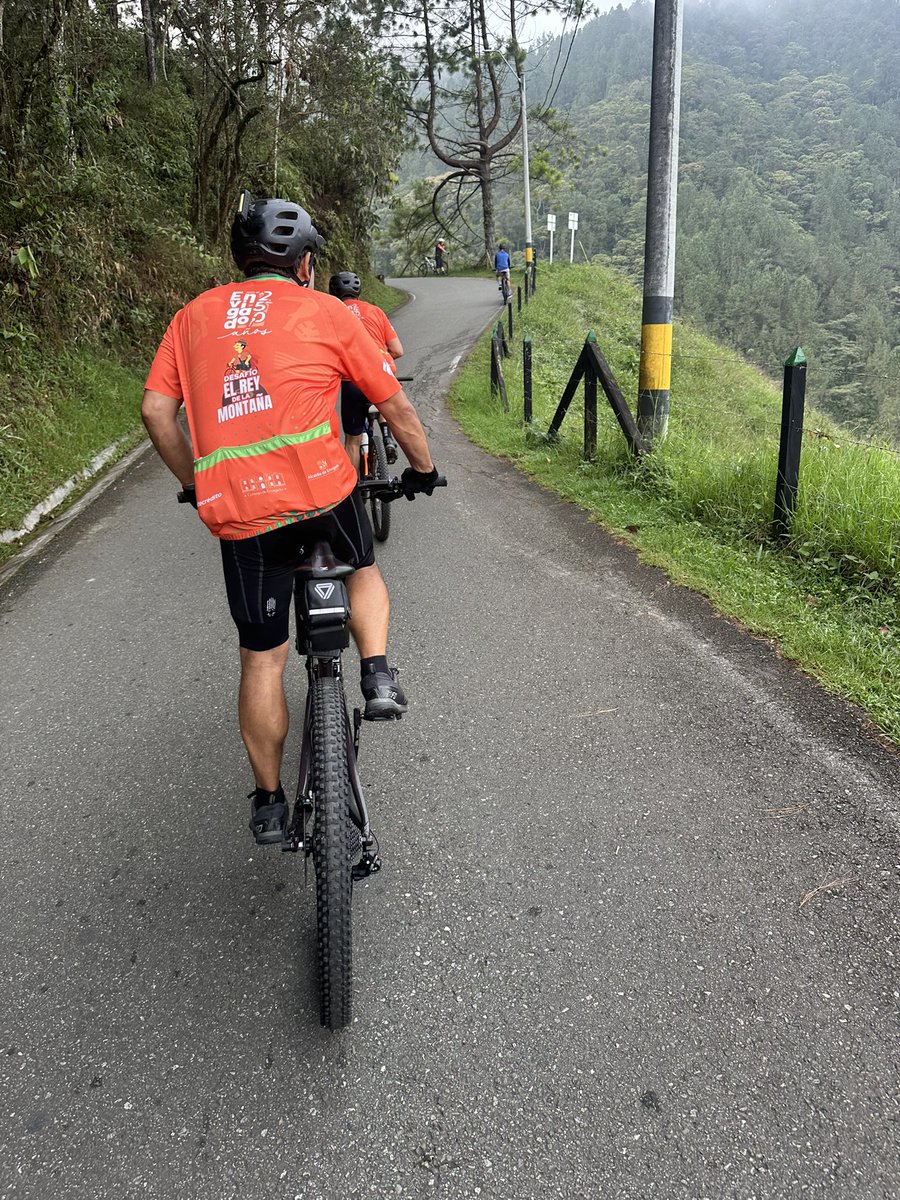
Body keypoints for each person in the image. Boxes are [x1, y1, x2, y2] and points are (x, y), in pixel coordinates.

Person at [141, 192, 441, 845]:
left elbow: (157, 414)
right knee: (363, 568)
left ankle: (271, 801)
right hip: (322, 497)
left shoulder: (191, 317)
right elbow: (394, 404)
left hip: (240, 512)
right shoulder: (328, 312)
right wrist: (420, 470)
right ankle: (378, 674)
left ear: (240, 260)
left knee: (262, 662)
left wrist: (197, 483)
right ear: (305, 264)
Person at [328, 271, 403, 471]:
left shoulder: (330, 313)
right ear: (359, 291)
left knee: (352, 440)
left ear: (333, 293)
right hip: (382, 371)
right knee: (382, 395)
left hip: (351, 379)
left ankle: (353, 492)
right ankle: (387, 438)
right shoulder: (376, 311)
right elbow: (397, 350)